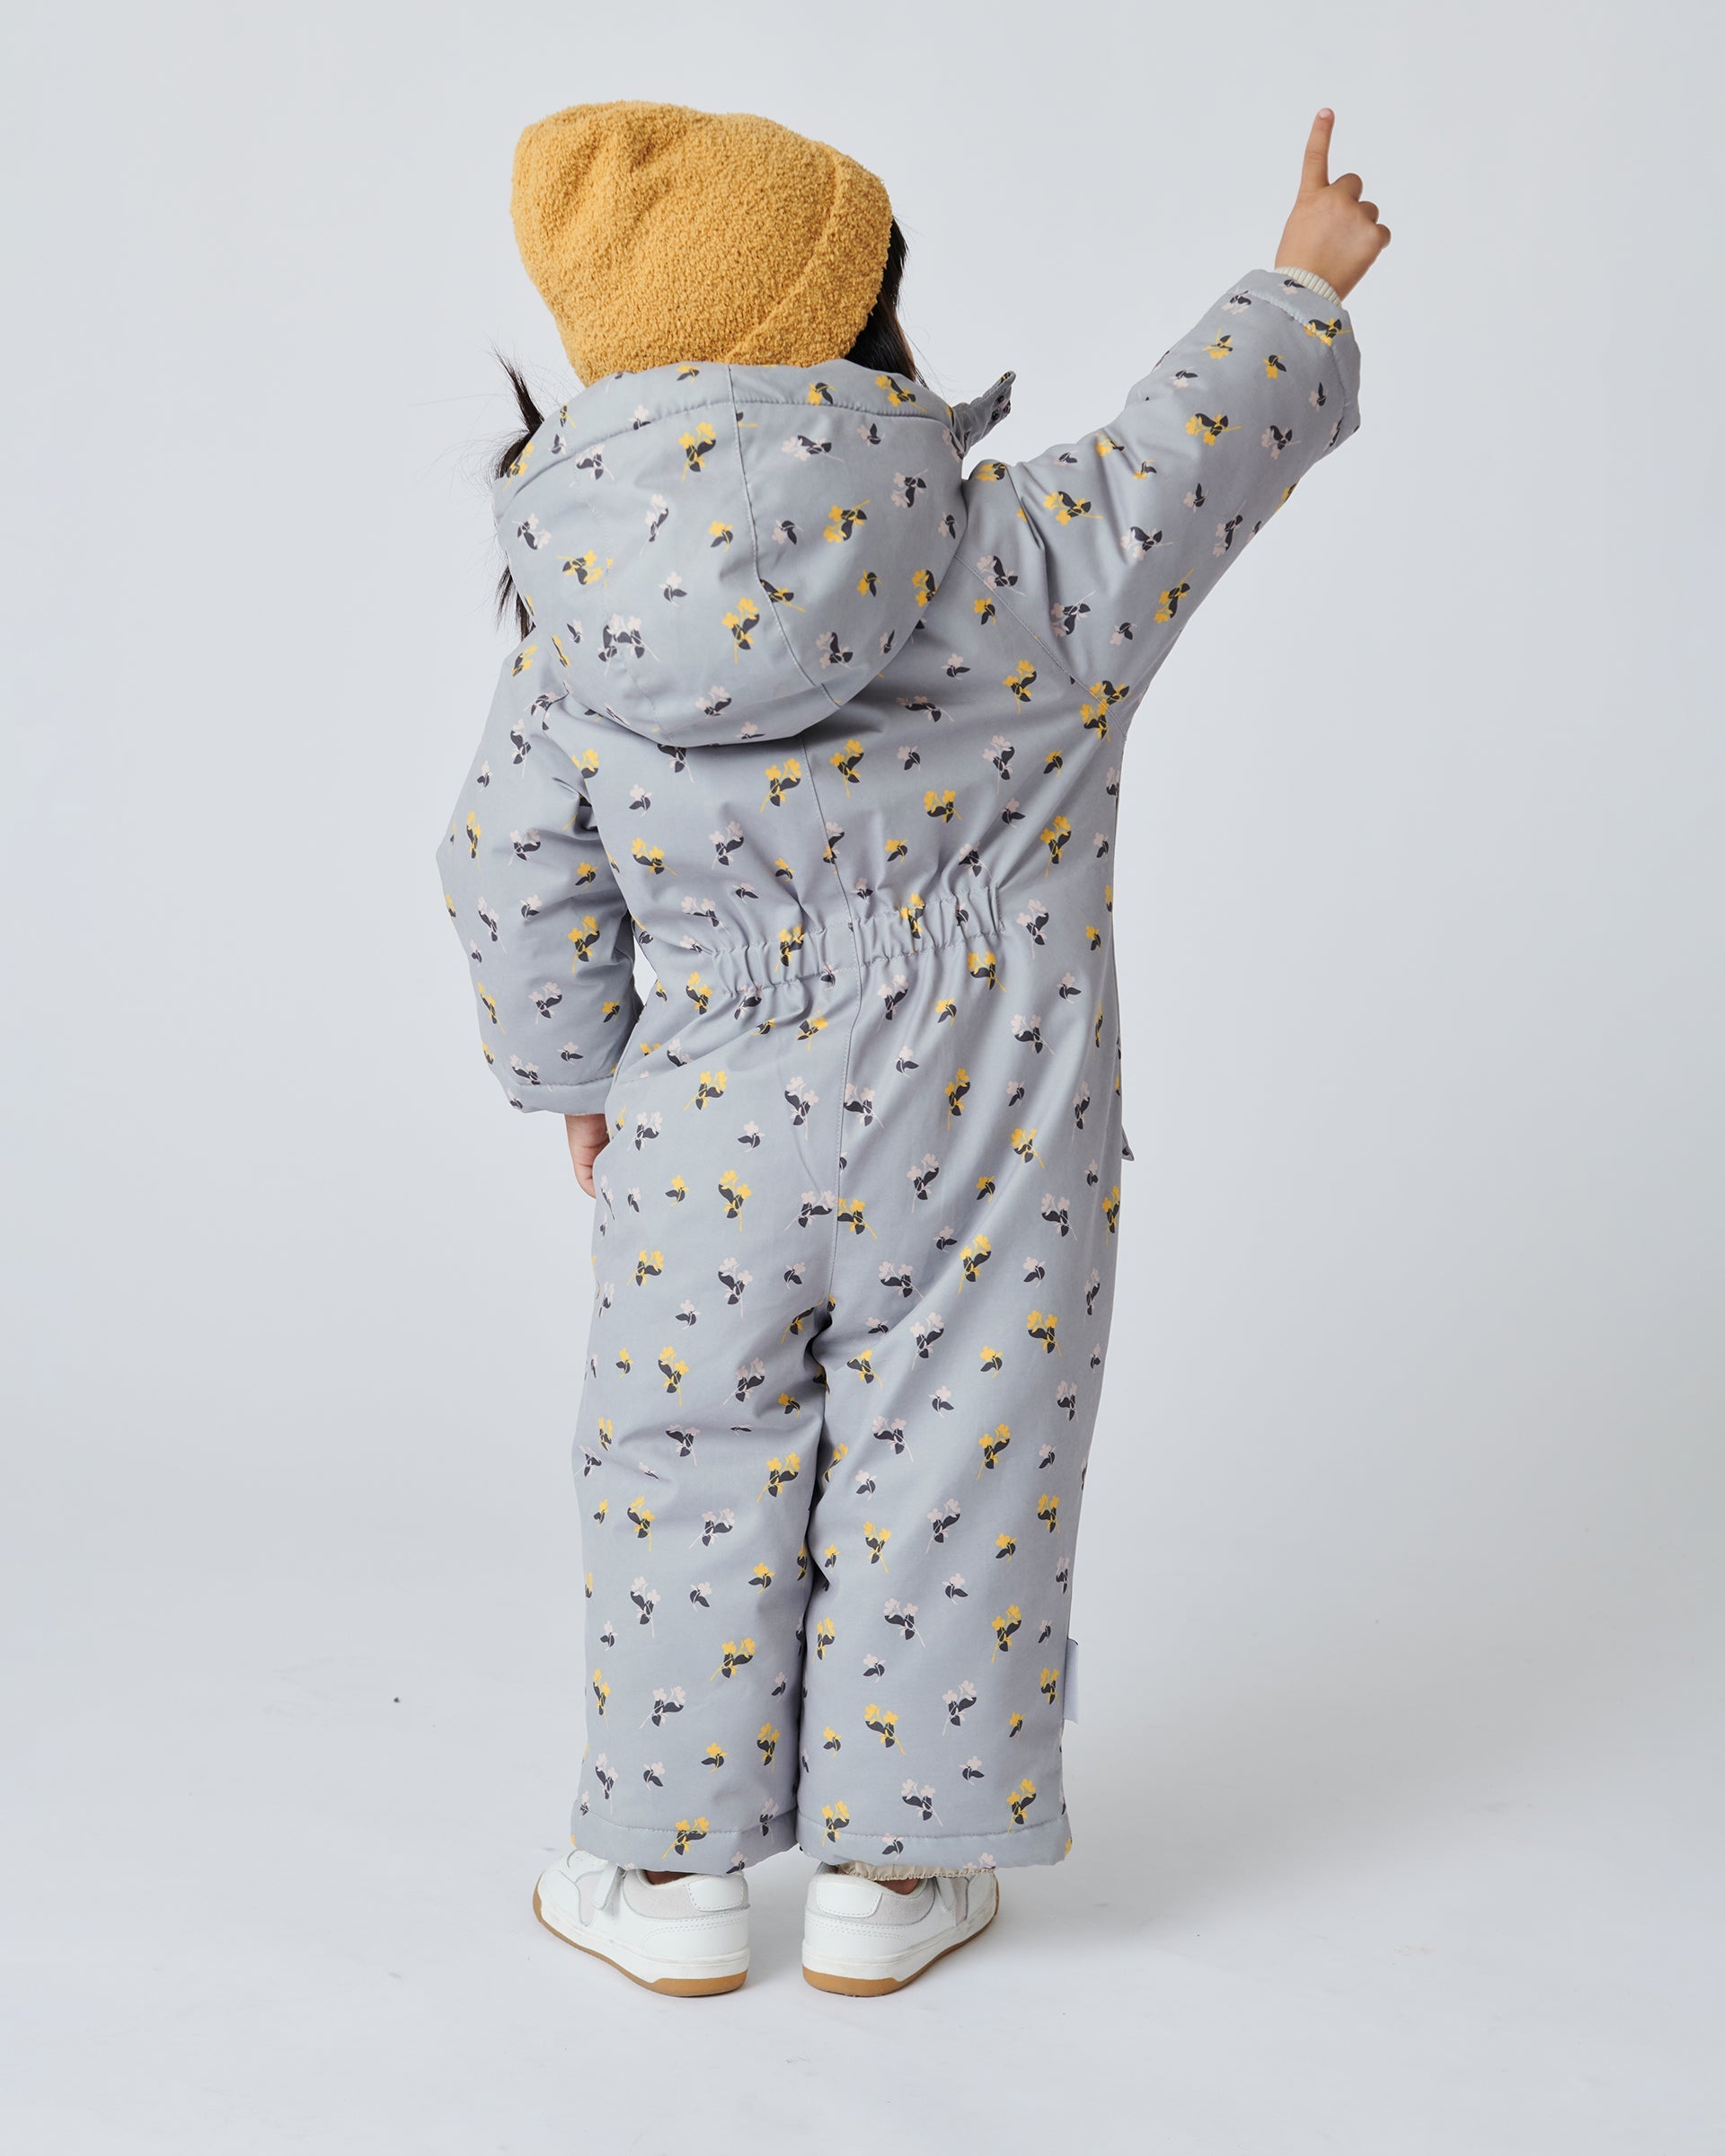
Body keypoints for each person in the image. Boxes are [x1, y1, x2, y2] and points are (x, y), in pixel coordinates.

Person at [436, 97, 1387, 1996]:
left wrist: (577, 1081)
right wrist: (1300, 283)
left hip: (703, 1121)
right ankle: (894, 1872)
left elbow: (501, 860)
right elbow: (1186, 458)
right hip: (988, 1122)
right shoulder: (1016, 554)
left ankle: (667, 1880)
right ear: (860, 313)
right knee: (956, 1456)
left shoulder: (580, 614)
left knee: (684, 1459)